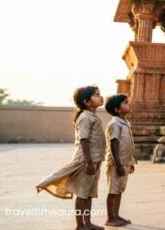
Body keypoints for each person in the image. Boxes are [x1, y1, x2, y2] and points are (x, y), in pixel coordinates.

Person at [36, 86, 106, 230]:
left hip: (95, 160)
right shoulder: (85, 117)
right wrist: (89, 162)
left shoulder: (92, 116)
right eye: (97, 95)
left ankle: (88, 223)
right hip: (86, 161)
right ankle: (80, 225)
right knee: (82, 194)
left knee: (88, 194)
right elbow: (84, 139)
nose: (101, 97)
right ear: (87, 101)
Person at [104, 94, 136, 227]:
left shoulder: (126, 123)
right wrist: (118, 164)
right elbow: (114, 144)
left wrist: (131, 162)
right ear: (117, 109)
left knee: (119, 190)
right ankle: (110, 218)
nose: (129, 104)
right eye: (125, 103)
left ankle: (116, 215)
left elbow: (128, 144)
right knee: (113, 191)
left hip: (125, 162)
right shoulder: (114, 124)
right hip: (116, 163)